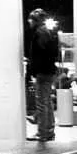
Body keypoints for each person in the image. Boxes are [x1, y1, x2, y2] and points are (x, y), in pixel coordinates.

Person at [25, 8, 61, 145]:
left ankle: (42, 133)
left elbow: (39, 55)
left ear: (36, 20)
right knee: (47, 103)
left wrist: (33, 71)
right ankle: (49, 131)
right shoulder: (49, 32)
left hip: (43, 72)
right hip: (49, 71)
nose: (29, 21)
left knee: (41, 104)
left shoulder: (40, 33)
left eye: (31, 19)